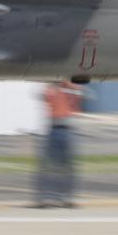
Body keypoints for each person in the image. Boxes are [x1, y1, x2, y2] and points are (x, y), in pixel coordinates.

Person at [33, 79, 83, 208]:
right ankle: (45, 198)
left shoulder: (70, 89)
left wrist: (68, 85)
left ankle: (66, 198)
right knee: (49, 166)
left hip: (67, 130)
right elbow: (42, 96)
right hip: (54, 129)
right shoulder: (51, 89)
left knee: (67, 167)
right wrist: (53, 86)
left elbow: (80, 95)